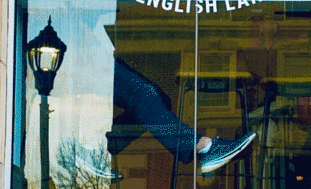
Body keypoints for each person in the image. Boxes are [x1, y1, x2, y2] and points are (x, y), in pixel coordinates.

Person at [85, 56, 256, 179]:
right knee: (144, 96)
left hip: (86, 51)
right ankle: (204, 146)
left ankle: (96, 151)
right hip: (82, 54)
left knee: (156, 100)